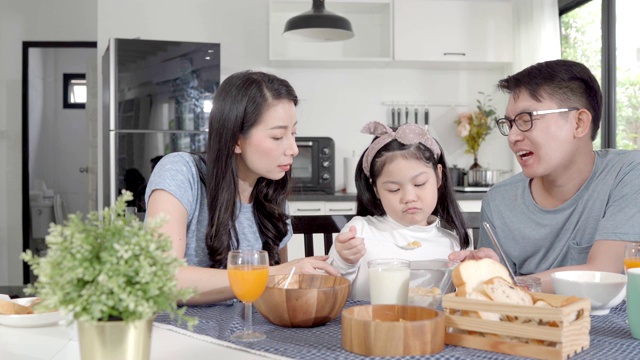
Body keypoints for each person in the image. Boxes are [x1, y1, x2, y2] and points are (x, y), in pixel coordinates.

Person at [145, 70, 339, 305]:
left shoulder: (272, 192)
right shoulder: (181, 172)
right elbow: (163, 278)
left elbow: (274, 292)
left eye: (294, 133)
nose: (294, 149)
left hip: (250, 332)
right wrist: (278, 272)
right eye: (278, 136)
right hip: (183, 333)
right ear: (236, 139)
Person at [449, 59, 640, 292]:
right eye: (510, 124)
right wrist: (487, 270)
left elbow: (602, 274)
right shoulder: (499, 201)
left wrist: (504, 284)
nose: (512, 137)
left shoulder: (628, 173)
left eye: (526, 120)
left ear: (579, 123)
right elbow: (498, 299)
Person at [327, 121, 471, 300]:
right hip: (372, 326)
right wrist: (344, 261)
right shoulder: (359, 232)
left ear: (439, 175)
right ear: (376, 189)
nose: (409, 197)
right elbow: (328, 292)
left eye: (419, 184)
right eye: (394, 189)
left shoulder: (452, 244)